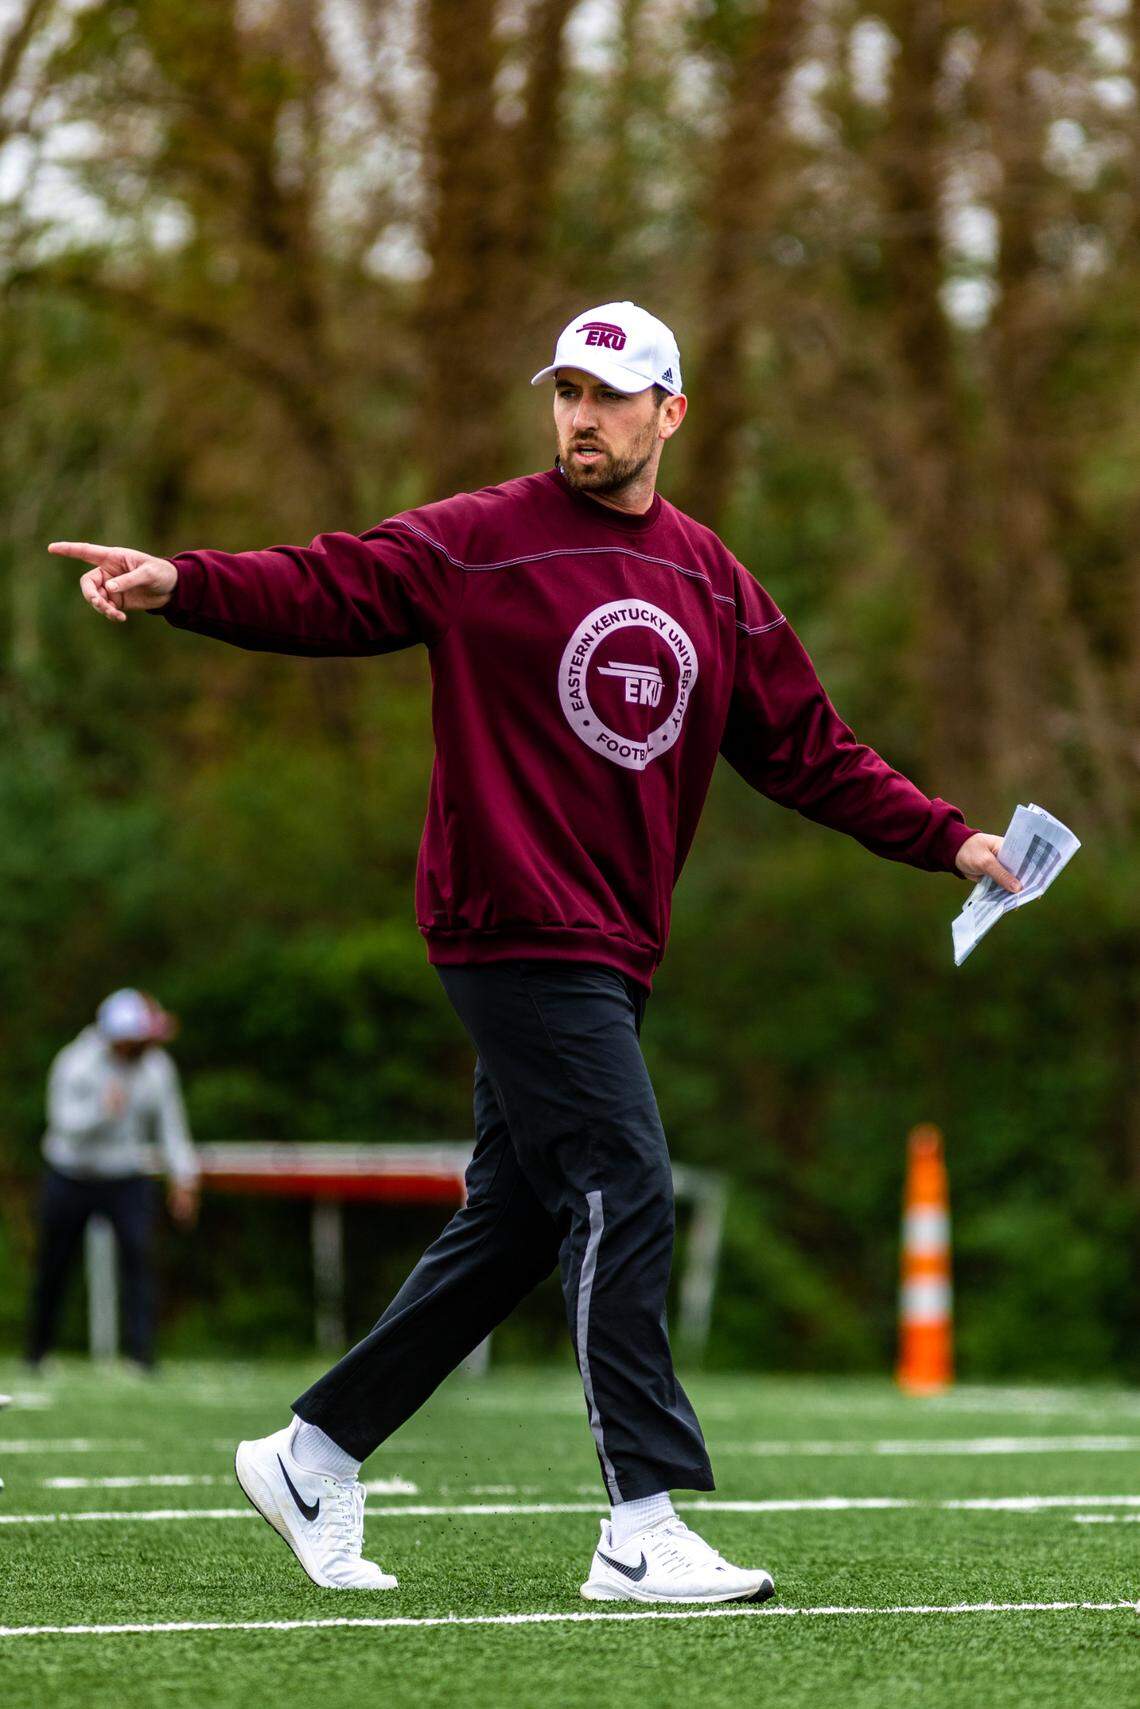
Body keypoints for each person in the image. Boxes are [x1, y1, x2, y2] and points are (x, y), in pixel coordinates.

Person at [51, 300, 1019, 1604]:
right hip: (509, 924)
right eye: (566, 392)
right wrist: (186, 584)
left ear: (670, 413)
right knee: (625, 1174)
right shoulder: (483, 540)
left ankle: (312, 1453)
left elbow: (810, 751)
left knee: (514, 1225)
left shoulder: (710, 580)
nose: (582, 417)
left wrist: (950, 842)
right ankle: (639, 1522)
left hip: (614, 947)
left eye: (611, 396)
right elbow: (332, 583)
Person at [27, 988, 200, 1370]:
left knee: (139, 1259)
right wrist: (102, 1113)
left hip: (125, 1176)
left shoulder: (157, 1067)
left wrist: (183, 1178)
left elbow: (171, 1126)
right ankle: (37, 1352)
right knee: (54, 1264)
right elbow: (63, 1126)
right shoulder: (75, 1063)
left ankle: (141, 1356)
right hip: (70, 1173)